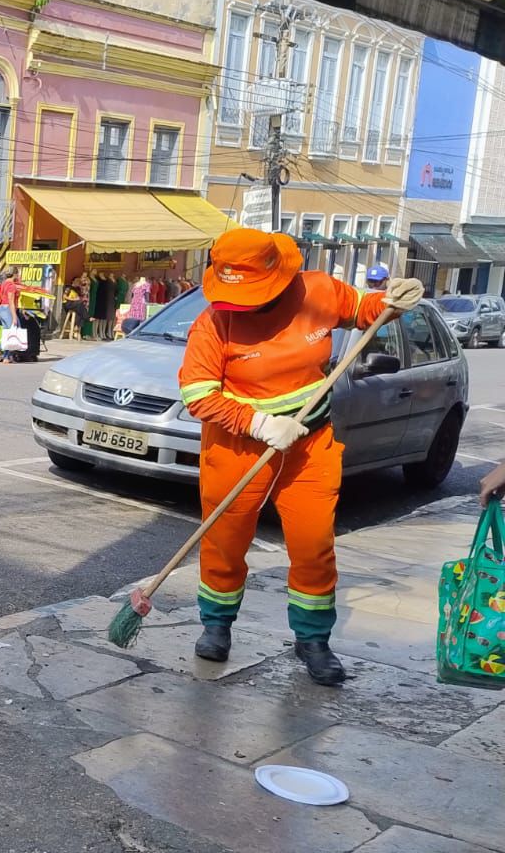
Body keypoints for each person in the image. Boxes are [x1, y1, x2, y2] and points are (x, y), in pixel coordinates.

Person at [178, 228, 422, 685]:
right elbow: (198, 394)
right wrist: (261, 424)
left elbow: (364, 311)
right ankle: (216, 625)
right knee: (225, 540)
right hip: (237, 445)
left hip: (310, 444)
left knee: (313, 544)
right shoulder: (214, 323)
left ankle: (312, 638)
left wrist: (391, 301)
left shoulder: (317, 292)